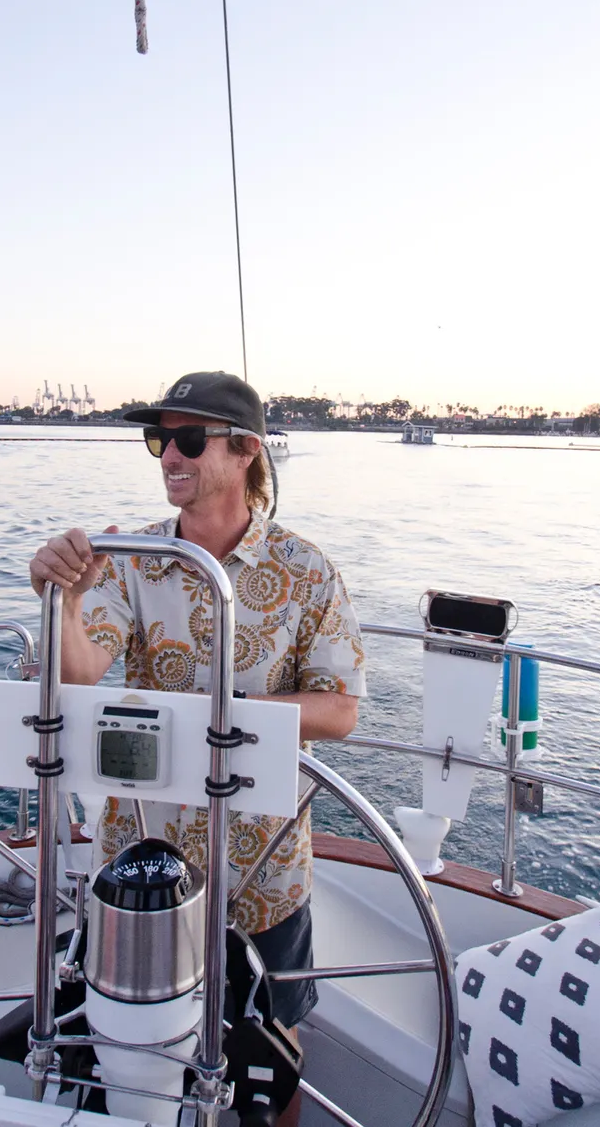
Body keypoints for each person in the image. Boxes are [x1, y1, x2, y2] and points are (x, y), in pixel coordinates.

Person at [29, 371, 365, 1075]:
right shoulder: (130, 561)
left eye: (187, 438)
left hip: (263, 866)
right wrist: (65, 600)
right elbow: (83, 672)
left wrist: (218, 724)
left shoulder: (306, 570)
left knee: (274, 1051)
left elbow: (339, 709)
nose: (169, 457)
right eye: (159, 439)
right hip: (142, 855)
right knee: (129, 1048)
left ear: (246, 451)